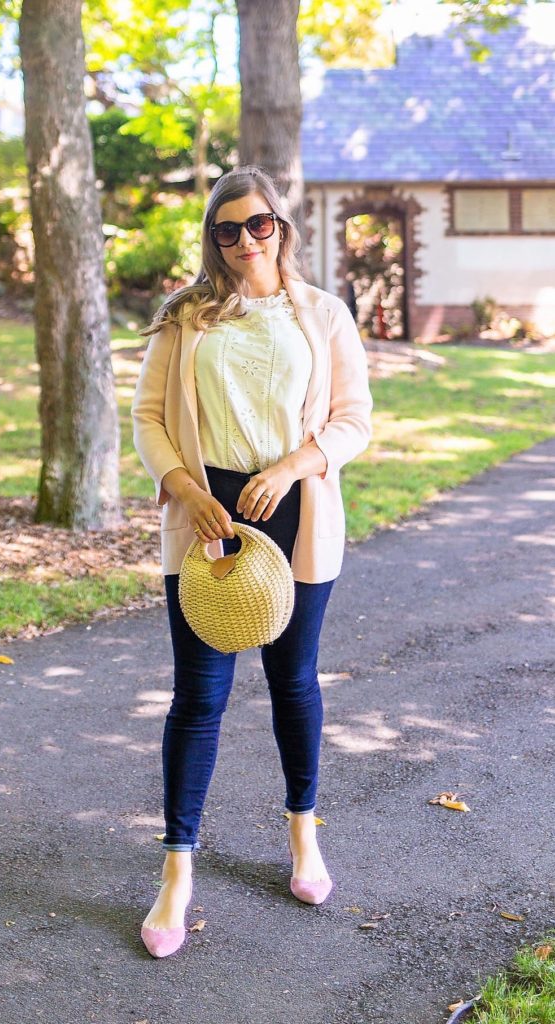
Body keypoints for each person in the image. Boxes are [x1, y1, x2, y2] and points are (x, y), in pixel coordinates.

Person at [131, 164, 373, 958]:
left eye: (257, 224)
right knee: (198, 697)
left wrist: (294, 465)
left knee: (291, 680)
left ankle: (303, 834)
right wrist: (181, 488)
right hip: (205, 515)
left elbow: (351, 420)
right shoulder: (184, 317)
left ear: (281, 226)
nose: (242, 241)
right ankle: (176, 871)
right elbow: (147, 419)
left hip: (295, 510)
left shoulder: (323, 314)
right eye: (226, 229)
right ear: (213, 236)